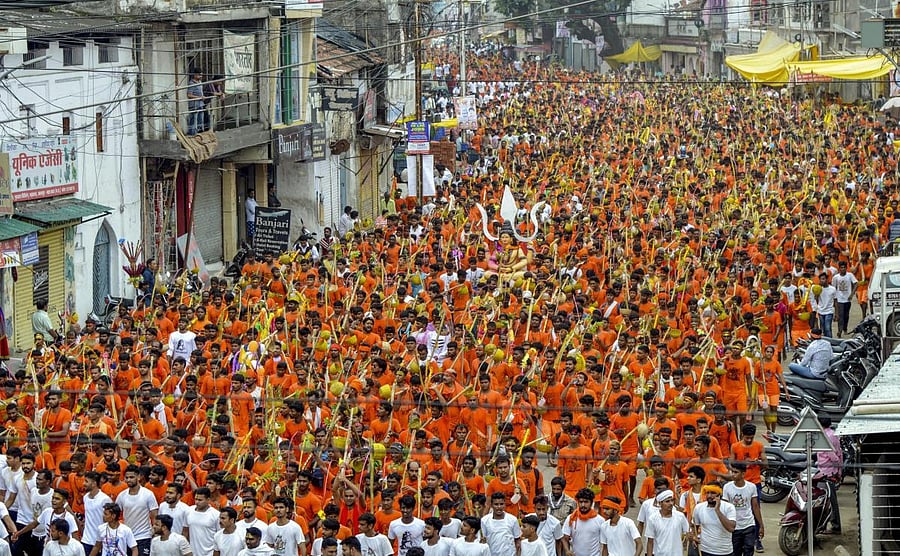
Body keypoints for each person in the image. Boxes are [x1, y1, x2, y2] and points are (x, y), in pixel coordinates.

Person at [115, 465, 158, 556]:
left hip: (144, 536)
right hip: (127, 537)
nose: (129, 480)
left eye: (131, 477)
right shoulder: (121, 496)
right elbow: (115, 515)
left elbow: (154, 516)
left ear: (138, 477)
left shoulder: (148, 494)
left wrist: (155, 533)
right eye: (127, 477)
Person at [722, 462, 763, 556]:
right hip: (734, 526)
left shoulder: (751, 487)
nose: (733, 474)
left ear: (743, 474)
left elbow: (755, 506)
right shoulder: (727, 487)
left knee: (749, 549)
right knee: (736, 551)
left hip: (749, 525)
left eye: (736, 472)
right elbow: (724, 507)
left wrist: (761, 525)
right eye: (732, 472)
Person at [690, 485, 736, 556]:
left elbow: (731, 528)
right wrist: (694, 537)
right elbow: (694, 526)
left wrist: (717, 510)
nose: (709, 496)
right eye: (707, 493)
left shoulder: (729, 507)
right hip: (705, 551)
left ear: (719, 494)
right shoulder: (699, 507)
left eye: (713, 493)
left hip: (725, 551)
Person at [817, 416, 843, 534]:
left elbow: (833, 456)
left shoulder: (825, 437)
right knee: (830, 500)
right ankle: (830, 525)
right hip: (830, 471)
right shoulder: (833, 434)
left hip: (826, 472)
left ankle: (832, 525)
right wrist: (839, 471)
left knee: (827, 501)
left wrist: (836, 466)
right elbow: (839, 453)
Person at [644, 491, 689, 556]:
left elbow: (687, 533)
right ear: (660, 503)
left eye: (672, 500)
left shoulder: (680, 517)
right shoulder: (653, 519)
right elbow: (650, 542)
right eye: (667, 501)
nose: (671, 503)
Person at [561, 489, 603, 556]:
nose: (583, 505)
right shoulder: (571, 518)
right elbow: (564, 537)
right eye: (581, 502)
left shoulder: (600, 520)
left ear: (591, 503)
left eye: (586, 502)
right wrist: (567, 551)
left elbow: (606, 541)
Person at [184, 488, 219, 556]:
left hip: (210, 554)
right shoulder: (188, 511)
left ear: (208, 500)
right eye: (196, 499)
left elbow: (220, 536)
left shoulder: (216, 515)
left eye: (200, 500)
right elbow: (185, 532)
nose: (197, 502)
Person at [832, 261, 858, 337]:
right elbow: (833, 288)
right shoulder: (836, 277)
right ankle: (839, 330)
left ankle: (845, 329)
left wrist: (852, 294)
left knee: (846, 315)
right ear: (839, 268)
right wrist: (834, 299)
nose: (843, 269)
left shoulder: (850, 275)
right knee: (840, 315)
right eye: (841, 267)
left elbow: (856, 284)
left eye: (844, 267)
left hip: (847, 299)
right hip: (839, 299)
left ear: (846, 268)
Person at [186, 71, 207, 135]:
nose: (201, 76)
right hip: (194, 104)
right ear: (195, 75)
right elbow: (189, 95)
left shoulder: (200, 82)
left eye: (201, 75)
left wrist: (202, 97)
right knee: (193, 120)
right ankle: (192, 134)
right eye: (199, 75)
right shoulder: (191, 83)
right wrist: (199, 97)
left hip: (200, 104)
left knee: (200, 119)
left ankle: (199, 133)